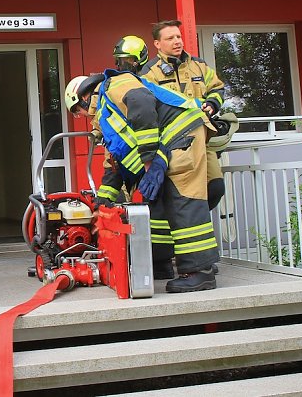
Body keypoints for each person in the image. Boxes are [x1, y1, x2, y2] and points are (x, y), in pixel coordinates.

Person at [64, 35, 219, 293]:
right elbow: (113, 165)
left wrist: (148, 160)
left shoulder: (115, 84)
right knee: (155, 202)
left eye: (77, 112)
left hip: (184, 135)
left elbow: (142, 104)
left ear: (81, 98)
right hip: (171, 142)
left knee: (184, 199)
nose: (82, 118)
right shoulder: (107, 114)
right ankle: (160, 263)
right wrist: (103, 203)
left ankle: (200, 272)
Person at [141, 20, 227, 211]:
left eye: (178, 36)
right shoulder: (149, 73)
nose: (177, 41)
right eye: (170, 38)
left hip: (202, 140)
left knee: (215, 188)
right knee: (173, 193)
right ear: (157, 44)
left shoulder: (199, 65)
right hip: (171, 144)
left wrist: (212, 104)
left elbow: (218, 88)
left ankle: (194, 221)